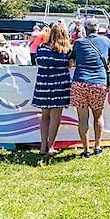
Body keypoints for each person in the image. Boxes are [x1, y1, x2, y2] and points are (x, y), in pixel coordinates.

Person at [70, 18, 110, 158]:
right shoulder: (106, 41)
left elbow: (72, 61)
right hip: (99, 82)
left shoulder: (78, 43)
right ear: (98, 29)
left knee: (82, 119)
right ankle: (97, 147)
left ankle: (86, 150)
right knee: (98, 116)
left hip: (80, 82)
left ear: (85, 29)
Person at [32, 24, 72, 155]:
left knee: (44, 117)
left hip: (43, 85)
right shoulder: (66, 52)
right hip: (60, 87)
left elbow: (38, 62)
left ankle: (43, 146)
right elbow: (71, 65)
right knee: (55, 117)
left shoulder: (41, 49)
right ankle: (51, 146)